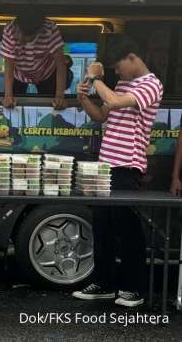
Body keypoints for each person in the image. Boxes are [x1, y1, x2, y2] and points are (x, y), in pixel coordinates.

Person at [72, 36, 163, 307]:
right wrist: (83, 97)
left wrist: (95, 78)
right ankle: (103, 283)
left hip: (127, 166)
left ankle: (133, 288)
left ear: (133, 57)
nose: (117, 72)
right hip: (106, 164)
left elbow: (113, 99)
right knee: (103, 226)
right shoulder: (124, 84)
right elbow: (102, 115)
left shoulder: (151, 84)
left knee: (127, 227)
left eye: (119, 66)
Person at [0, 12, 70, 110]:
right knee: (9, 103)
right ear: (18, 27)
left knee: (55, 105)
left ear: (40, 29)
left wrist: (59, 96)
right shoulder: (9, 30)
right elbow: (9, 65)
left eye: (32, 36)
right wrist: (8, 95)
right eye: (24, 35)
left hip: (46, 72)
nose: (28, 40)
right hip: (18, 73)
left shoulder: (50, 28)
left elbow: (60, 63)